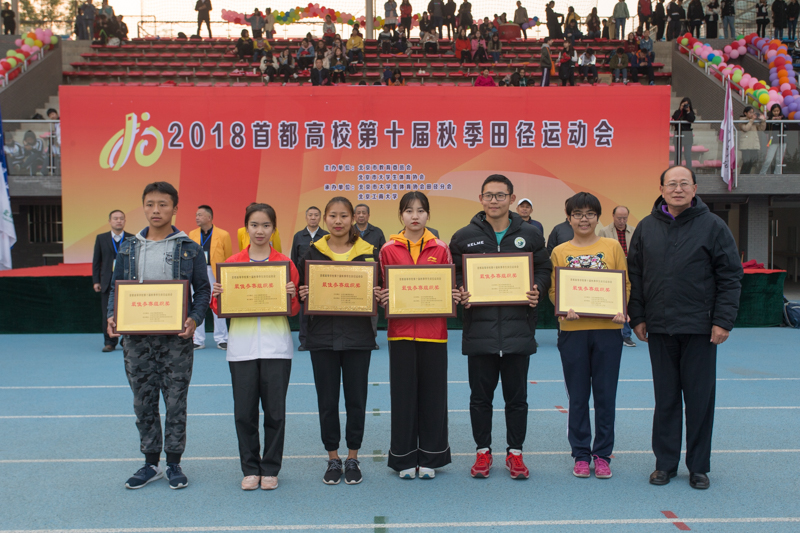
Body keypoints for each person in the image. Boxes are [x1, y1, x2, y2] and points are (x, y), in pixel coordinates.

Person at [628, 166, 743, 490]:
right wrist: (638, 316)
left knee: (699, 401)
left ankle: (698, 467)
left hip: (700, 329)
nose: (677, 189)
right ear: (661, 189)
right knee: (665, 400)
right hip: (660, 328)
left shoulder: (713, 226)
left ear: (694, 188)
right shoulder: (646, 227)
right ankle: (664, 465)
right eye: (671, 184)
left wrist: (722, 321)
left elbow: (730, 275)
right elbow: (635, 275)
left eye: (684, 184)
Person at [106, 182, 211, 490]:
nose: (156, 210)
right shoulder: (129, 247)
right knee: (143, 402)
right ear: (143, 207)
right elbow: (116, 287)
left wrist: (194, 318)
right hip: (137, 340)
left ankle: (174, 463)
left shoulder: (190, 248)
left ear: (175, 208)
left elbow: (203, 290)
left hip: (176, 340)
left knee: (176, 402)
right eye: (150, 204)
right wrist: (112, 314)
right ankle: (150, 463)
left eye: (163, 204)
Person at [449, 174, 553, 480]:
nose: (494, 201)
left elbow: (544, 268)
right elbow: (454, 272)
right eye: (489, 195)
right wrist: (460, 290)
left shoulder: (530, 234)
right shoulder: (464, 236)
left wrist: (537, 287)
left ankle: (515, 453)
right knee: (480, 398)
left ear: (511, 198)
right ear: (480, 198)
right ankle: (482, 452)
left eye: (500, 195)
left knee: (516, 399)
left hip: (518, 331)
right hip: (479, 332)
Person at [209, 203, 300, 492]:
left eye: (266, 225)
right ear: (246, 228)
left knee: (275, 413)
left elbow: (294, 310)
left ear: (274, 229)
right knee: (244, 413)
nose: (260, 231)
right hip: (242, 348)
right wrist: (217, 295)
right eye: (254, 225)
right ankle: (250, 468)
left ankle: (270, 468)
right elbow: (218, 309)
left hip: (276, 348)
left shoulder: (285, 264)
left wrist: (292, 296)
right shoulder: (232, 264)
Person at [297, 197, 381, 486]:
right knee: (327, 400)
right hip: (322, 338)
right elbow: (299, 291)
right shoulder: (311, 252)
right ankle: (333, 457)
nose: (338, 221)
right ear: (325, 219)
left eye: (343, 216)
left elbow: (381, 289)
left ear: (353, 219)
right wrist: (303, 293)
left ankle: (353, 456)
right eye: (332, 215)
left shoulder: (368, 253)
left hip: (358, 337)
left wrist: (379, 294)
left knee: (356, 400)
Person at [376, 192, 458, 479]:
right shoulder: (388, 249)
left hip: (434, 333)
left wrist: (452, 295)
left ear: (428, 215)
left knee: (434, 396)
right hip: (400, 334)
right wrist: (382, 297)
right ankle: (404, 458)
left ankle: (432, 457)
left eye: (421, 211)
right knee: (403, 396)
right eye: (409, 211)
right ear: (400, 215)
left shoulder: (441, 248)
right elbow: (382, 287)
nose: (415, 216)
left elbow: (449, 286)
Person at [549, 192, 630, 480]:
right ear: (568, 218)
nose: (584, 219)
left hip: (608, 331)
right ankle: (581, 454)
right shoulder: (559, 251)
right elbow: (554, 289)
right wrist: (562, 308)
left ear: (598, 217)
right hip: (573, 331)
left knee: (606, 396)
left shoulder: (612, 247)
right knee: (578, 397)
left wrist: (620, 308)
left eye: (590, 214)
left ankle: (603, 455)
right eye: (578, 214)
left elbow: (624, 283)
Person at [188, 205, 231, 351]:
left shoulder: (223, 234)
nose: (197, 217)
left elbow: (228, 256)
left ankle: (222, 338)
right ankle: (198, 339)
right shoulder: (192, 234)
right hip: (198, 271)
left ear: (209, 217)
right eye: (196, 215)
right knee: (198, 303)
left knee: (218, 303)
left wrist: (224, 276)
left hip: (215, 272)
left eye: (200, 215)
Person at [92, 210, 134, 353]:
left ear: (125, 221)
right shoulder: (101, 238)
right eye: (115, 218)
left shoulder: (132, 238)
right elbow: (96, 261)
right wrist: (96, 280)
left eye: (121, 218)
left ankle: (126, 340)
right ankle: (109, 342)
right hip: (107, 281)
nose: (118, 221)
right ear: (110, 221)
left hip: (127, 280)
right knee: (107, 312)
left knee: (128, 311)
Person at [290, 207, 329, 351]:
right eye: (310, 215)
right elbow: (294, 259)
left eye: (316, 215)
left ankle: (321, 339)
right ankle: (304, 341)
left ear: (320, 218)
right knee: (304, 312)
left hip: (321, 279)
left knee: (321, 311)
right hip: (303, 280)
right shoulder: (298, 236)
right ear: (306, 217)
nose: (313, 218)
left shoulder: (326, 236)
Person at [597, 205, 636, 346]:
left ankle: (626, 335)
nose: (622, 221)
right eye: (619, 218)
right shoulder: (604, 231)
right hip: (611, 273)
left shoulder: (634, 231)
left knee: (627, 301)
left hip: (630, 270)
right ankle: (611, 333)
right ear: (613, 216)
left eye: (625, 218)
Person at [354, 204, 386, 345]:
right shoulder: (348, 232)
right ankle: (355, 338)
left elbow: (383, 255)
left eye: (364, 213)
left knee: (372, 310)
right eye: (358, 213)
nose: (361, 215)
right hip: (354, 277)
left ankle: (371, 339)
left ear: (368, 215)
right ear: (354, 216)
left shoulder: (377, 232)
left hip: (373, 278)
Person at [738, 106, 766, 174]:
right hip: (745, 145)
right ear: (745, 113)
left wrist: (763, 121)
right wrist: (751, 120)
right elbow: (745, 128)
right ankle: (742, 176)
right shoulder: (742, 120)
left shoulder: (754, 121)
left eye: (753, 112)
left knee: (752, 161)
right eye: (750, 112)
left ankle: (747, 175)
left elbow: (761, 129)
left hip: (754, 144)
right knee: (746, 161)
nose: (752, 114)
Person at [672, 97, 695, 168]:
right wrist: (680, 109)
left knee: (687, 155)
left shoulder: (690, 112)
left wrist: (688, 111)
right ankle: (676, 169)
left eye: (686, 105)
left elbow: (691, 119)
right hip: (678, 135)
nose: (685, 106)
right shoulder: (678, 112)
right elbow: (675, 118)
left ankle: (689, 170)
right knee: (677, 155)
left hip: (687, 136)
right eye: (684, 104)